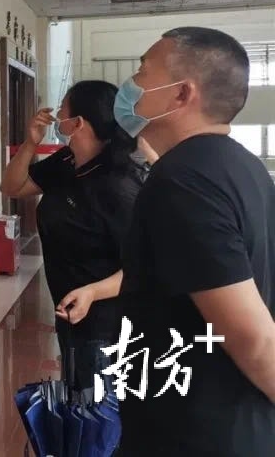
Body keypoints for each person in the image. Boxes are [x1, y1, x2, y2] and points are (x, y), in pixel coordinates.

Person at [114, 27, 275, 456]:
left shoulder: (184, 180)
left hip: (196, 432)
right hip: (230, 419)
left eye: (143, 70)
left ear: (181, 93)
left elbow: (252, 337)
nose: (131, 85)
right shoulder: (242, 166)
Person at [0, 80, 144, 393]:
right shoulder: (67, 161)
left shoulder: (119, 185)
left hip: (105, 321)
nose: (56, 116)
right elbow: (12, 187)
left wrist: (92, 292)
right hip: (70, 311)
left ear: (78, 123)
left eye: (62, 110)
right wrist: (30, 144)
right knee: (79, 399)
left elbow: (145, 265)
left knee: (98, 407)